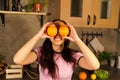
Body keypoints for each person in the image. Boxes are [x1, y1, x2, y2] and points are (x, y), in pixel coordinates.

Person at [13, 19, 100, 80]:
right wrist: (38, 36)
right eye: (54, 30)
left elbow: (95, 66)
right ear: (48, 35)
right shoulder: (40, 52)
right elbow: (17, 60)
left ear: (66, 35)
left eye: (61, 30)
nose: (57, 35)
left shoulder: (73, 55)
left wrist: (77, 40)